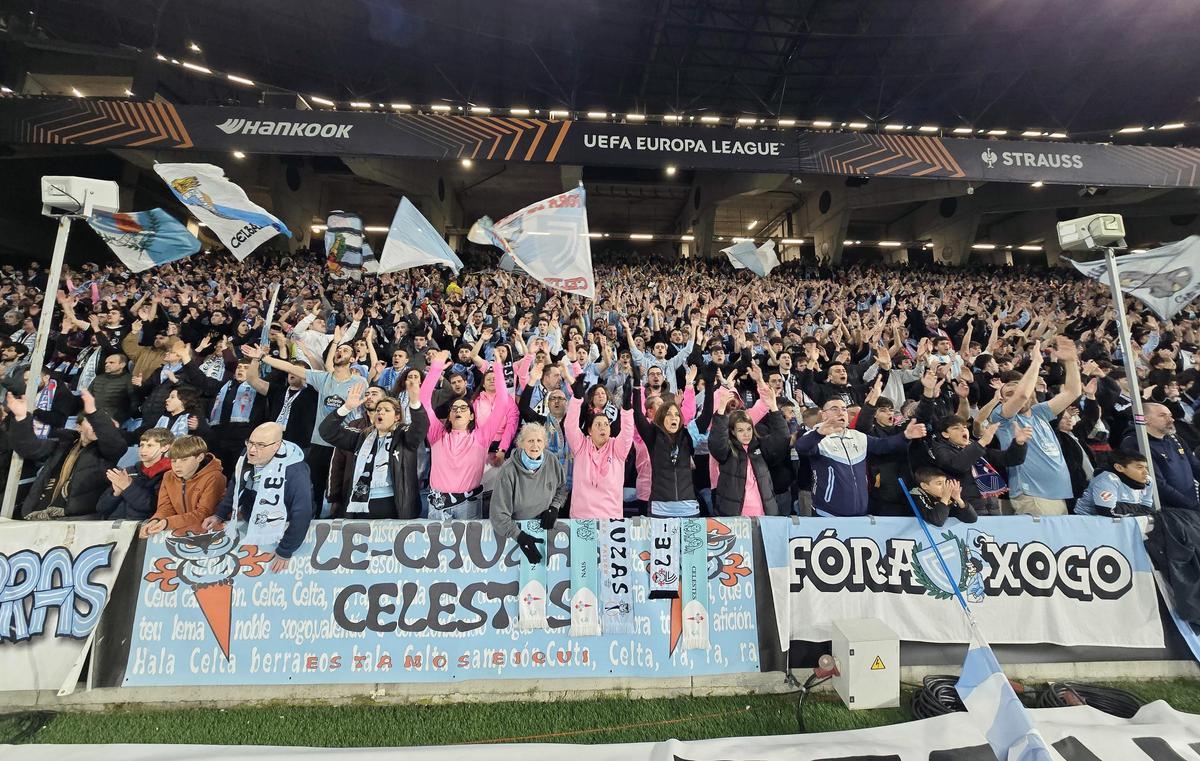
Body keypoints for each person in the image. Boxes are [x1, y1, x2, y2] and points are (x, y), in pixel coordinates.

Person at [258, 343, 367, 510]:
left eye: (345, 350)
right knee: (312, 488)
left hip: (342, 444)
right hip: (319, 442)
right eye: (338, 349)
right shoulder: (322, 378)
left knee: (339, 493)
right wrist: (263, 357)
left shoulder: (360, 382)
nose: (340, 351)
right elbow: (291, 368)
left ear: (353, 359)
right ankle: (309, 521)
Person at [989, 337, 1083, 516]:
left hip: (1057, 492)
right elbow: (1022, 395)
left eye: (1017, 390)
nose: (1014, 395)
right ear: (1002, 400)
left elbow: (1073, 392)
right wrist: (1036, 362)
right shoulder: (1002, 417)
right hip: (1032, 494)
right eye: (1009, 394)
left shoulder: (1040, 412)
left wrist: (1070, 361)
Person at [203, 422, 313, 572]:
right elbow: (237, 486)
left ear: (276, 446)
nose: (252, 450)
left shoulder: (295, 470)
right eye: (251, 443)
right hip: (252, 523)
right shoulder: (246, 455)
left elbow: (302, 511)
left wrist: (285, 550)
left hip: (281, 529)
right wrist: (219, 514)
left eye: (261, 445)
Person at [319, 374, 429, 519]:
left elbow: (420, 427)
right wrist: (346, 408)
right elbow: (326, 432)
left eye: (386, 410)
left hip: (395, 507)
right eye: (378, 410)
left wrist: (415, 402)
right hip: (359, 507)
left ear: (397, 416)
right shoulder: (361, 437)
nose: (380, 412)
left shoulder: (404, 435)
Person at [795, 397, 927, 517]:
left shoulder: (858, 436)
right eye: (834, 409)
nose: (841, 412)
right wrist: (819, 433)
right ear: (823, 415)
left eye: (844, 409)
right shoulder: (815, 436)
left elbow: (884, 445)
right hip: (827, 514)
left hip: (860, 514)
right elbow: (801, 447)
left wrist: (906, 436)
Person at [420, 349, 512, 519]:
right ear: (449, 415)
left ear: (471, 415)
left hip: (467, 507)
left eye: (463, 408)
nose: (458, 410)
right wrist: (436, 368)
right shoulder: (436, 434)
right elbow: (424, 400)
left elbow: (503, 402)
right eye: (454, 408)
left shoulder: (482, 436)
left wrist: (498, 368)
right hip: (437, 506)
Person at [7, 388, 126, 520]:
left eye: (100, 424)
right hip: (40, 511)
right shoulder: (63, 444)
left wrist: (93, 412)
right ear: (78, 427)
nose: (96, 427)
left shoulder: (109, 452)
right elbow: (30, 448)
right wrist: (21, 418)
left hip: (79, 517)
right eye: (91, 422)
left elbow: (112, 440)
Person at [490, 423, 566, 563]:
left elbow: (561, 488)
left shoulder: (551, 460)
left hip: (544, 528)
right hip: (516, 534)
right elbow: (498, 515)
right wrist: (520, 537)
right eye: (530, 440)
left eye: (539, 441)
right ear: (521, 444)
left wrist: (554, 507)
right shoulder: (508, 470)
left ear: (544, 444)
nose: (535, 445)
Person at [708, 386, 789, 516]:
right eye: (740, 430)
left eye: (748, 429)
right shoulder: (727, 451)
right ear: (733, 432)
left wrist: (774, 408)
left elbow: (782, 439)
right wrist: (721, 410)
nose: (746, 434)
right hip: (735, 517)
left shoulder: (760, 446)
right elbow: (716, 442)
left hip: (765, 515)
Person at [929, 416, 1031, 517]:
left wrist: (1019, 443)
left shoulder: (975, 447)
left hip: (992, 507)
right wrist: (982, 442)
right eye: (956, 428)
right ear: (945, 434)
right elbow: (957, 465)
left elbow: (1009, 459)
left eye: (965, 427)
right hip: (967, 511)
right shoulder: (941, 450)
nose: (963, 430)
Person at [564, 378, 635, 519]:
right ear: (589, 430)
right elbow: (570, 426)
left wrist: (626, 408)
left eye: (606, 424)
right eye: (598, 424)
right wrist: (577, 399)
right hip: (581, 518)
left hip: (611, 519)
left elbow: (627, 432)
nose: (603, 427)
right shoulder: (580, 446)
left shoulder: (617, 448)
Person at [140, 435, 227, 537]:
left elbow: (204, 513)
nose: (177, 465)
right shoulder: (168, 476)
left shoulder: (214, 477)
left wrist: (168, 523)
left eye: (184, 460)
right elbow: (165, 507)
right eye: (173, 460)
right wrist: (155, 520)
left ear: (199, 457)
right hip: (183, 530)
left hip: (211, 532)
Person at [1122, 402, 1200, 511]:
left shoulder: (1175, 438)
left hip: (1189, 508)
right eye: (1162, 416)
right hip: (1165, 512)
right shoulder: (1136, 443)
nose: (1171, 420)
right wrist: (1192, 505)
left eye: (1170, 415)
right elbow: (1158, 484)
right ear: (1144, 419)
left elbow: (1195, 466)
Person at [96, 427, 174, 521]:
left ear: (165, 447)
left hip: (142, 528)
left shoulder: (169, 474)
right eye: (141, 445)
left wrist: (128, 486)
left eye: (150, 445)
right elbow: (101, 508)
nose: (143, 450)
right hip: (112, 527)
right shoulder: (128, 471)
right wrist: (115, 493)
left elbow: (154, 507)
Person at [1076, 450, 1155, 517]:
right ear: (1119, 467)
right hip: (1088, 521)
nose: (1146, 472)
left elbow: (1146, 507)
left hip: (1123, 521)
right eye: (1140, 467)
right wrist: (1136, 509)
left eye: (1146, 467)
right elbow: (1107, 511)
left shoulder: (1147, 481)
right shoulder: (1107, 480)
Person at [909, 466, 978, 527]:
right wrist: (945, 499)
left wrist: (958, 499)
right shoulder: (916, 494)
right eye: (939, 484)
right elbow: (937, 521)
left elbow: (972, 519)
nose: (944, 487)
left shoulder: (944, 496)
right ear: (924, 486)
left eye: (945, 482)